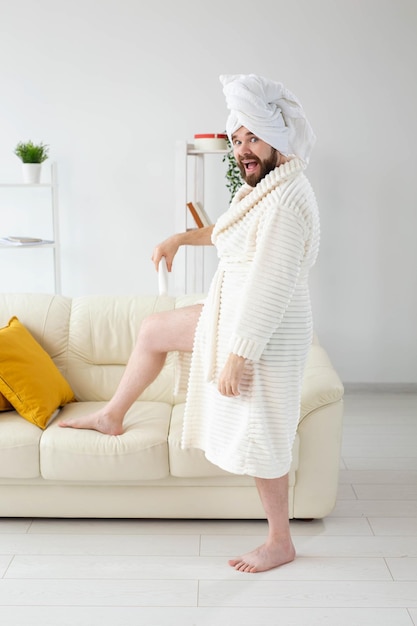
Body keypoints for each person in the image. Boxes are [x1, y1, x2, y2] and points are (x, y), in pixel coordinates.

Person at [60, 73, 320, 574]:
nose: (242, 149)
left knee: (263, 428)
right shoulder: (268, 188)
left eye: (253, 139)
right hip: (239, 313)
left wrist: (238, 355)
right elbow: (228, 231)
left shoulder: (288, 201)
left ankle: (280, 541)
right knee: (155, 330)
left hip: (268, 330)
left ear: (278, 139)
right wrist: (179, 240)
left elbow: (271, 284)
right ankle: (112, 415)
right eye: (237, 140)